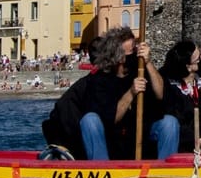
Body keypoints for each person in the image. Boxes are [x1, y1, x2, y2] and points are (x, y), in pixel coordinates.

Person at [43, 28, 177, 161]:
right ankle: (101, 171)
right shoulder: (99, 81)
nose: (137, 54)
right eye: (132, 51)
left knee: (169, 123)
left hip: (141, 137)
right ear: (118, 57)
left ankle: (163, 172)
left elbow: (161, 94)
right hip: (111, 141)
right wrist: (131, 93)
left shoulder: (141, 70)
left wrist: (148, 62)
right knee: (89, 120)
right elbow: (111, 118)